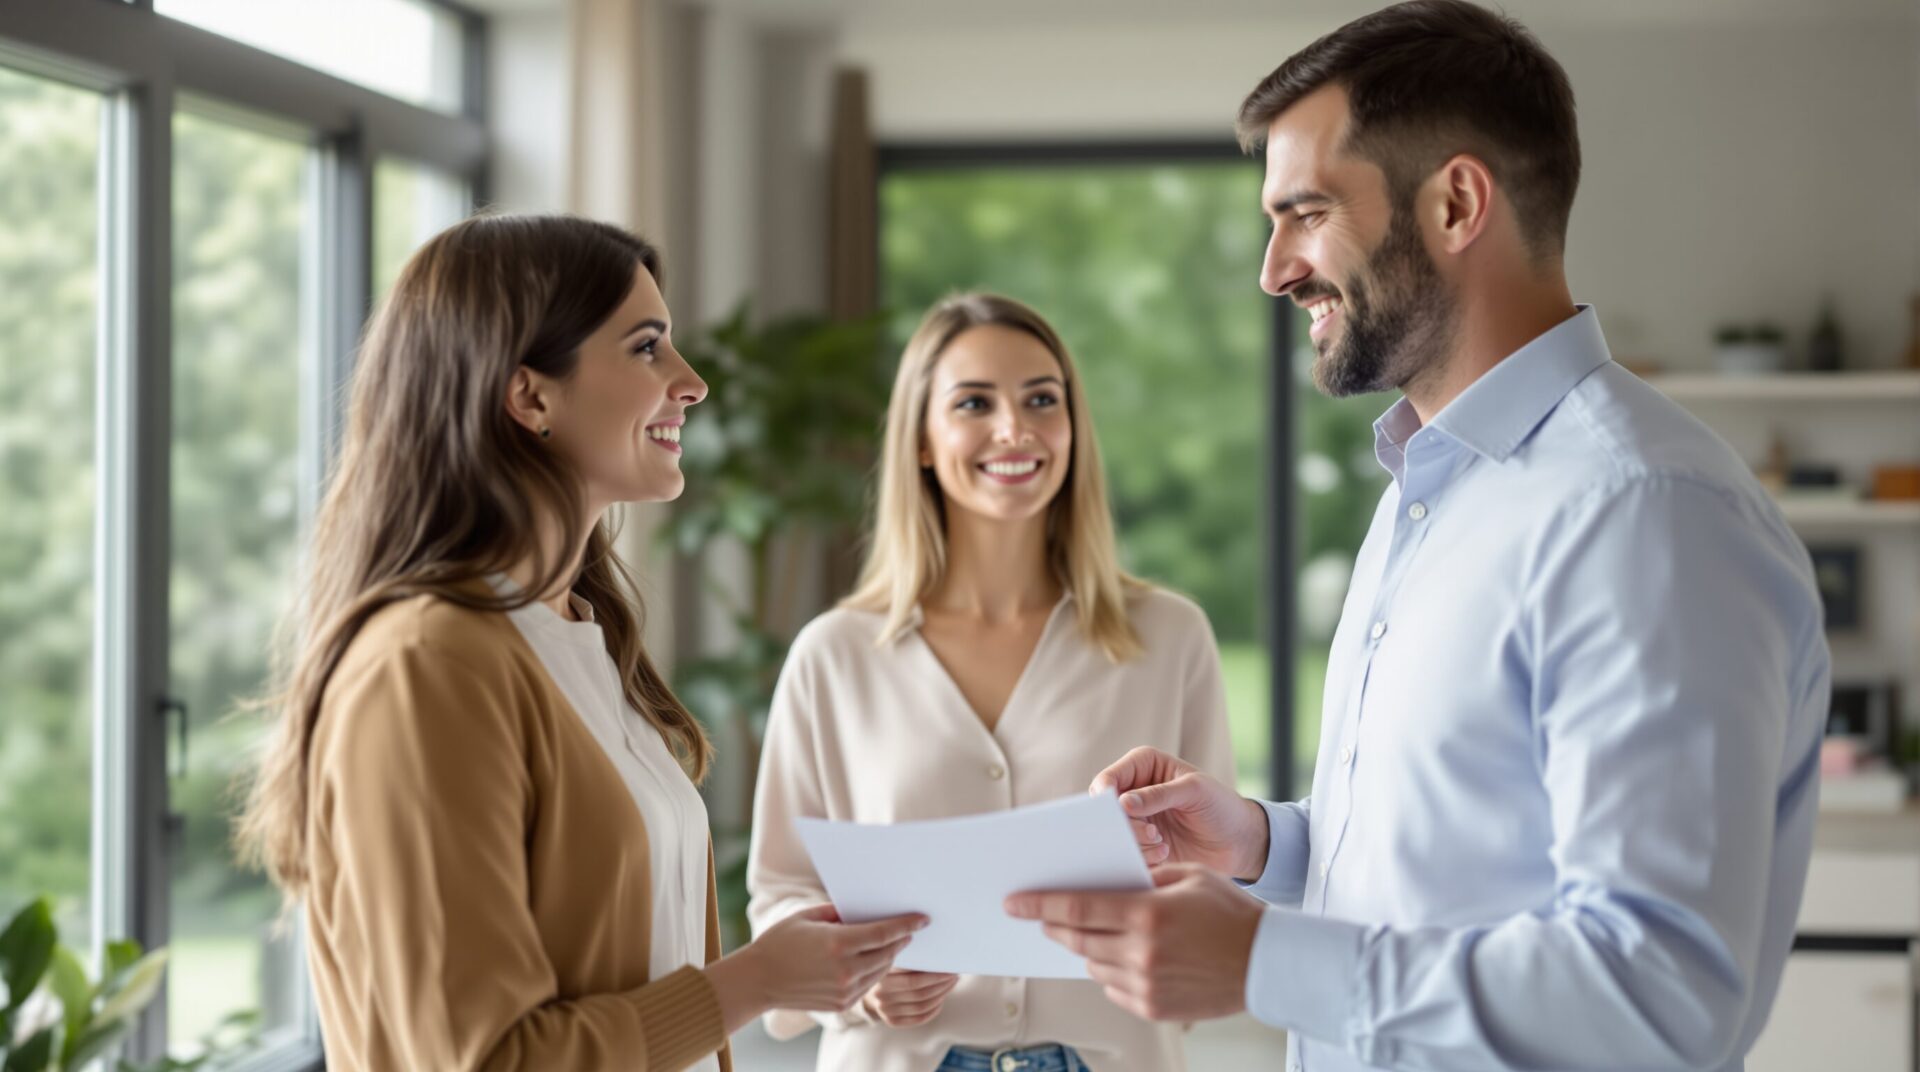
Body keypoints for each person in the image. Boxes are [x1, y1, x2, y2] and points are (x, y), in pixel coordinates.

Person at [1007, 4, 1831, 1071]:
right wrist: (1263, 842)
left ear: (1455, 204)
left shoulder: (1644, 514)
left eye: (1306, 213)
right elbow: (1456, 853)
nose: (1274, 270)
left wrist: (1263, 960)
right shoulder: (1427, 488)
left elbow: (1660, 988)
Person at [235, 214, 925, 1072]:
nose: (692, 383)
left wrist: (789, 969)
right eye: (647, 348)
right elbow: (484, 1057)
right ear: (530, 397)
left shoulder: (576, 636)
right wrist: (754, 983)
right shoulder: (426, 664)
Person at [747, 293, 1236, 1072]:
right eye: (974, 403)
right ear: (921, 440)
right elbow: (781, 892)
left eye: (1042, 400)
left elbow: (1212, 882)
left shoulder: (1170, 638)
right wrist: (857, 984)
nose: (1015, 429)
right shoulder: (833, 656)